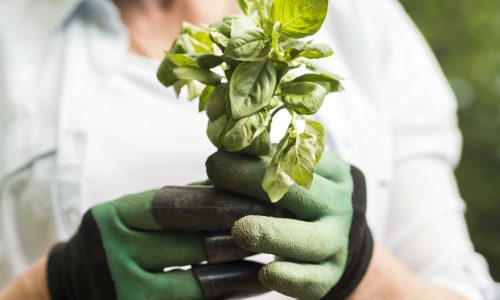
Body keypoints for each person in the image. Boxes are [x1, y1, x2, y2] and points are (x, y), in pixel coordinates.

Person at [0, 0, 498, 299]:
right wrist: (59, 285)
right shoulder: (14, 31)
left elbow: (457, 285)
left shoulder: (359, 17)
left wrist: (361, 269)